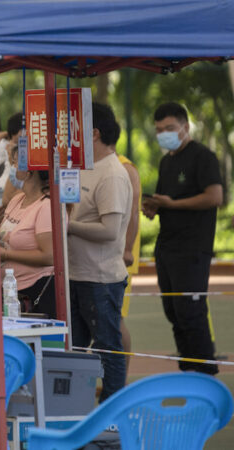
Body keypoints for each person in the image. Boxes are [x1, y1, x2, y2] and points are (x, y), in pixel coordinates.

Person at [142, 102, 223, 375]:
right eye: (159, 130)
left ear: (185, 127)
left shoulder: (203, 157)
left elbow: (215, 197)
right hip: (167, 248)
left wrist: (173, 205)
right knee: (174, 313)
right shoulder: (167, 161)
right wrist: (154, 206)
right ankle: (188, 372)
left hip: (192, 249)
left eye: (169, 128)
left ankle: (205, 375)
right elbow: (167, 199)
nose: (163, 133)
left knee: (191, 313)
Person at [67, 103, 132, 402]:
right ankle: (76, 409)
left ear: (93, 133)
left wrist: (70, 226)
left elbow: (109, 230)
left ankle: (112, 413)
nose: (68, 135)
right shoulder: (83, 167)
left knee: (108, 348)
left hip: (101, 278)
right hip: (77, 274)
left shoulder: (113, 173)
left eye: (73, 128)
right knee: (76, 349)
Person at [0, 152, 56, 318]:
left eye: (15, 163)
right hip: (10, 290)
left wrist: (5, 254)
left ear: (28, 172)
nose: (13, 168)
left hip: (35, 291)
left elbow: (49, 256)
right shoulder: (17, 200)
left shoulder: (46, 207)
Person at [116, 131, 141, 373]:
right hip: (100, 256)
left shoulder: (126, 168)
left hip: (120, 258)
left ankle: (120, 379)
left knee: (116, 318)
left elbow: (133, 212)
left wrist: (126, 249)